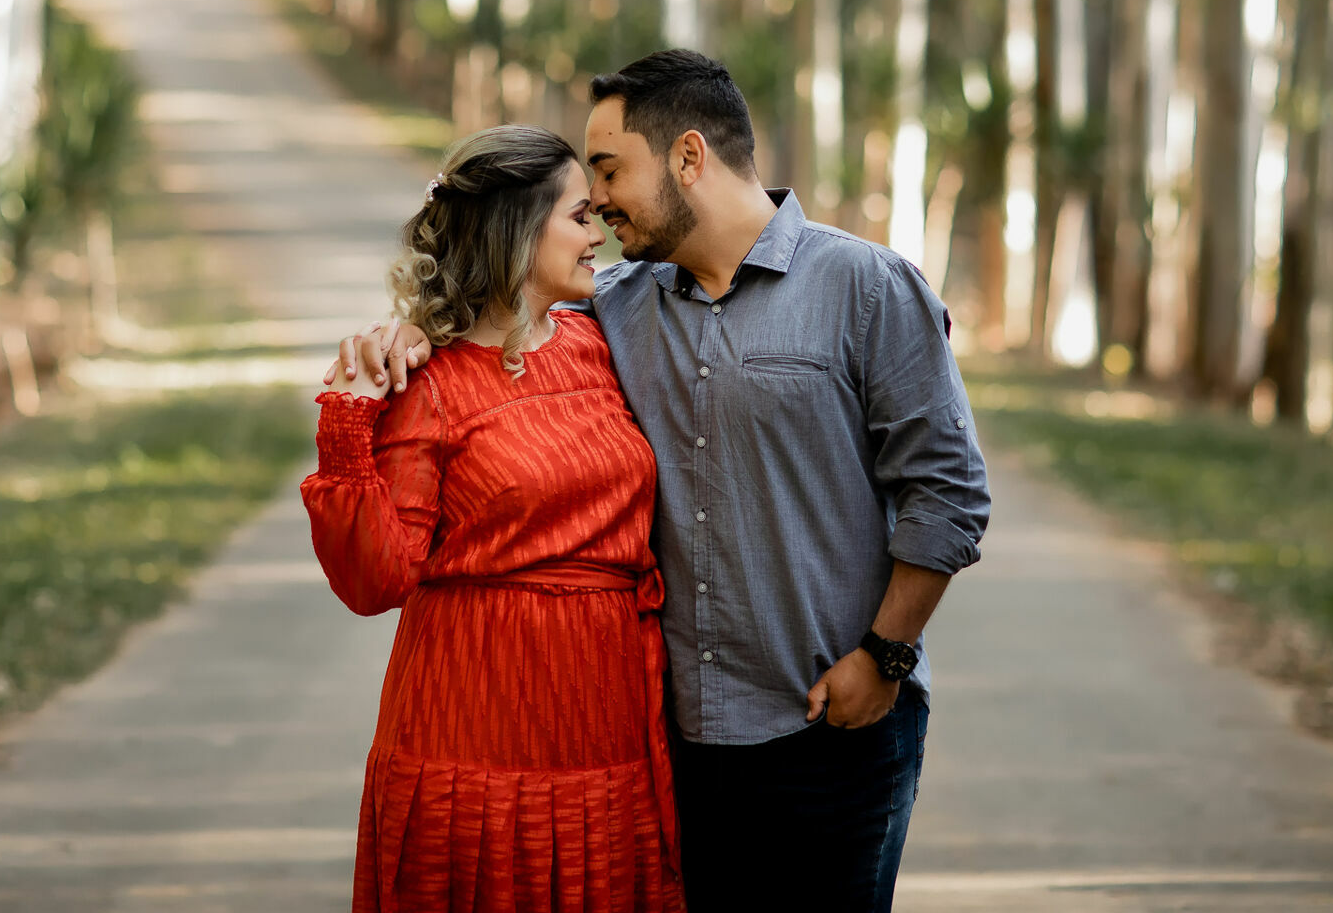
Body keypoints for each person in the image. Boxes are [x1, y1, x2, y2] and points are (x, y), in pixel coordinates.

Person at [342, 50, 991, 911]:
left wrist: (886, 656)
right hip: (680, 743)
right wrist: (404, 340)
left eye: (609, 171)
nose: (600, 203)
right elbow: (498, 320)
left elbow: (948, 493)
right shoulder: (615, 306)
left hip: (837, 724)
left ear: (689, 157)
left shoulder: (866, 287)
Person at [303, 124, 684, 913]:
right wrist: (347, 429)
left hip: (602, 714)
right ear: (518, 230)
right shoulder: (428, 383)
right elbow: (377, 581)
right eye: (580, 215)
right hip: (472, 716)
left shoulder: (600, 339)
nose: (599, 232)